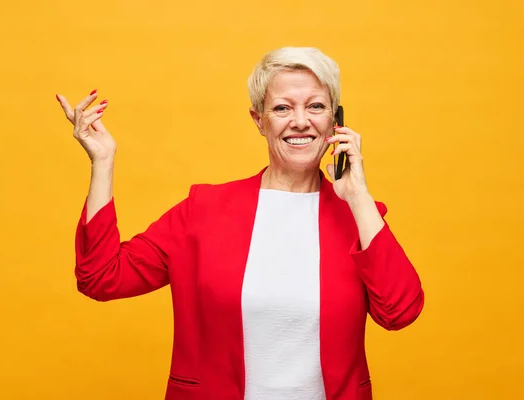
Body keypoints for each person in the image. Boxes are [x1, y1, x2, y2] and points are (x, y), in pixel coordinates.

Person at [56, 46, 424, 400]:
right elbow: (100, 276)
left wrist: (357, 195)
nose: (300, 121)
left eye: (316, 106)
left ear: (335, 121)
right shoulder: (204, 210)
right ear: (259, 121)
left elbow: (400, 312)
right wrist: (102, 161)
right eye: (282, 108)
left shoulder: (360, 218)